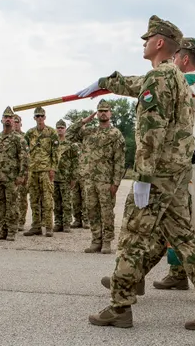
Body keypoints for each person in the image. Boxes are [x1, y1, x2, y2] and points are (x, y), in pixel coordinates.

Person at [86, 15, 195, 330]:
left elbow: (152, 132)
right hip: (176, 172)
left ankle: (119, 306)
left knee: (133, 237)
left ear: (160, 42)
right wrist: (103, 83)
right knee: (184, 237)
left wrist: (142, 177)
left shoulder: (161, 78)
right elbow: (137, 85)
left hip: (157, 175)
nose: (143, 43)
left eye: (147, 39)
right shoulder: (175, 77)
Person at [67, 101, 126, 253]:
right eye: (100, 111)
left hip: (106, 180)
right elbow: (69, 134)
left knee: (106, 212)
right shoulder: (89, 132)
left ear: (110, 113)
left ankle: (107, 241)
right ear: (97, 113)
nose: (103, 113)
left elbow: (119, 160)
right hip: (89, 179)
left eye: (105, 111)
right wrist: (84, 121)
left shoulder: (115, 134)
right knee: (91, 210)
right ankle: (96, 240)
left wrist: (116, 182)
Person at [0, 107, 28, 241]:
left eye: (10, 118)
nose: (8, 120)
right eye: (6, 117)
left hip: (11, 178)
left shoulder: (18, 139)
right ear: (2, 120)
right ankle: (1, 230)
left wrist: (21, 175)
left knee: (12, 205)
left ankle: (11, 230)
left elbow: (24, 158)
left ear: (13, 120)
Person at [24, 107, 58, 236]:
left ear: (45, 117)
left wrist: (53, 168)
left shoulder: (51, 132)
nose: (39, 118)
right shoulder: (30, 133)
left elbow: (55, 152)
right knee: (33, 199)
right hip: (33, 170)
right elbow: (25, 149)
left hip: (45, 170)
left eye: (41, 116)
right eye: (37, 116)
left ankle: (49, 227)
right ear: (34, 118)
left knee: (47, 199)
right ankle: (36, 226)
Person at [52, 119, 78, 233]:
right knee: (56, 202)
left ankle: (67, 223)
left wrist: (73, 177)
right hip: (54, 177)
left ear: (65, 129)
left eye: (62, 127)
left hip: (66, 177)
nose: (60, 129)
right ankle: (58, 223)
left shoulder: (71, 144)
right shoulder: (53, 144)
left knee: (66, 202)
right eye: (58, 127)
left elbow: (75, 162)